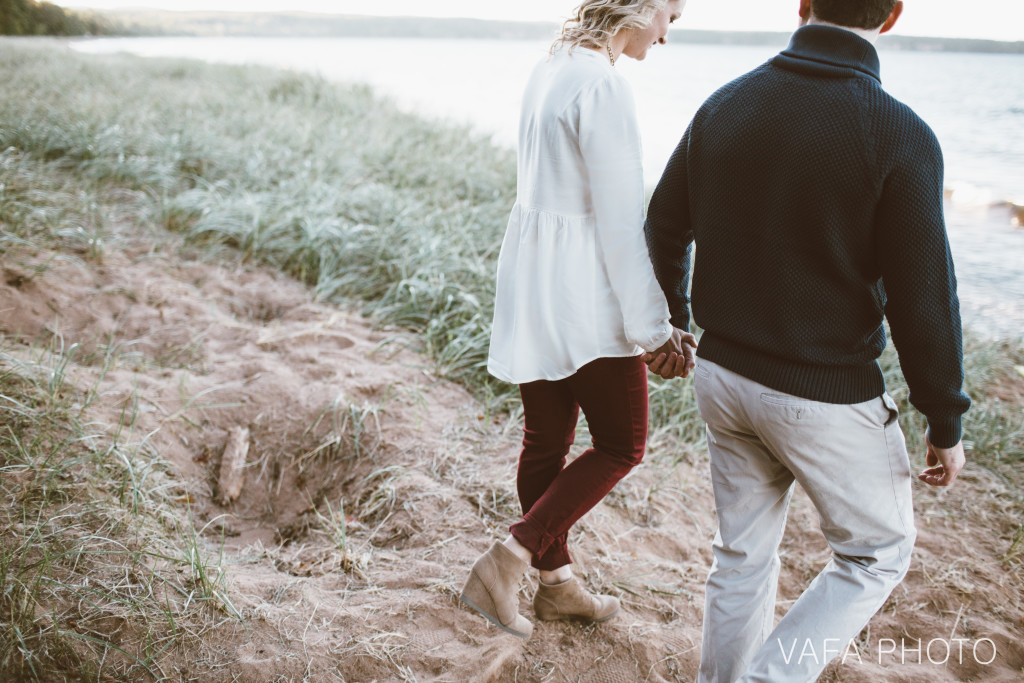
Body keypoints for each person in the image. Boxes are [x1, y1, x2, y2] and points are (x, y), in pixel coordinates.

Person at [643, 0, 971, 680]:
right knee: (877, 549)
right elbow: (925, 299)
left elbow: (664, 223)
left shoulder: (727, 105)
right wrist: (946, 417)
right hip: (822, 392)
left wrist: (674, 317)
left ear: (803, 5)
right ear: (893, 16)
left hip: (723, 376)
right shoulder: (900, 134)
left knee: (740, 554)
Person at [459, 0, 694, 640]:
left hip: (534, 273)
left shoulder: (553, 66)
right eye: (668, 16)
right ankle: (508, 558)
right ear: (639, 7)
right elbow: (619, 226)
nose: (667, 35)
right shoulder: (604, 86)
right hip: (584, 290)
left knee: (546, 441)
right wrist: (654, 327)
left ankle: (558, 586)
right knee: (623, 442)